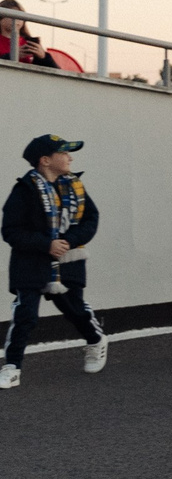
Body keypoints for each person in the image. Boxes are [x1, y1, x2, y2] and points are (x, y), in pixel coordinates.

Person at [3, 133, 108, 388]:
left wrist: (68, 241)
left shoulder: (75, 188)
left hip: (68, 261)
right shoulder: (25, 190)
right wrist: (45, 244)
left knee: (74, 310)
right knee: (25, 314)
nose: (70, 158)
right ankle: (12, 367)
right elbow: (11, 231)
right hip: (30, 264)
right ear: (45, 160)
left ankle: (95, 340)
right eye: (63, 153)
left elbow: (90, 220)